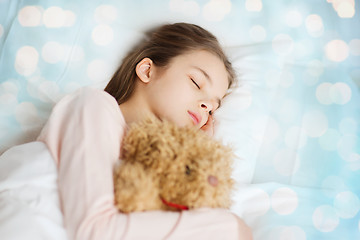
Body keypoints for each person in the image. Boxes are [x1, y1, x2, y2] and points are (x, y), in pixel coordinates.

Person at [37, 22, 252, 240]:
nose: (207, 107)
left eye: (214, 107)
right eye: (196, 83)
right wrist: (226, 227)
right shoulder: (93, 105)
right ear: (147, 70)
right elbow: (94, 231)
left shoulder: (151, 167)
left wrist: (192, 158)